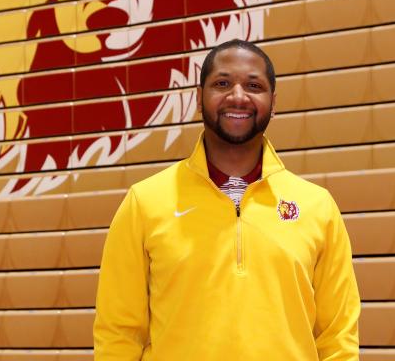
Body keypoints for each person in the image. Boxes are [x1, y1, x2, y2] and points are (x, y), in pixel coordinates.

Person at [94, 39, 360, 360]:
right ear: (199, 98)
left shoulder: (318, 207)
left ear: (273, 103)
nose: (237, 95)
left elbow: (337, 336)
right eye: (222, 83)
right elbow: (118, 333)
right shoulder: (144, 203)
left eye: (253, 85)